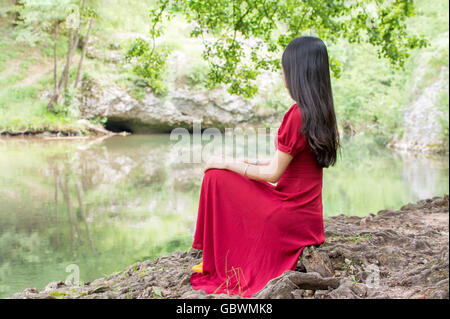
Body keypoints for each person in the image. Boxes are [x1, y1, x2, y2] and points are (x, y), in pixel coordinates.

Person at [190, 36, 341, 297]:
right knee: (223, 172)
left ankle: (213, 258)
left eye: (285, 69)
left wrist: (226, 162)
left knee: (215, 177)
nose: (283, 75)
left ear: (297, 73)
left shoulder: (297, 114)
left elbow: (273, 174)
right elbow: (282, 166)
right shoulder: (320, 111)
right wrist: (242, 162)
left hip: (288, 213)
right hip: (307, 216)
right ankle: (213, 253)